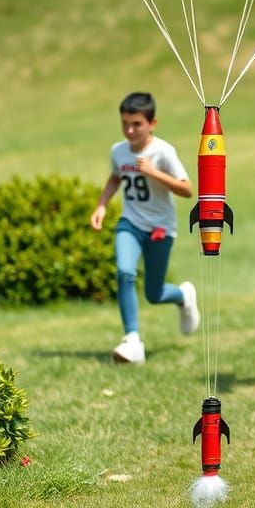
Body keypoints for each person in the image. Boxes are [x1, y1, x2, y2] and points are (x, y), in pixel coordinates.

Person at [90, 91, 200, 363]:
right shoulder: (118, 151)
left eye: (137, 124)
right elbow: (116, 178)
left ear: (152, 123)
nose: (130, 130)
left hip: (160, 229)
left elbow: (187, 190)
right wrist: (102, 205)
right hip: (131, 223)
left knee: (154, 293)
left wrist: (154, 173)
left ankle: (183, 296)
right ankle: (132, 341)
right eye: (125, 123)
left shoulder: (163, 152)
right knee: (125, 272)